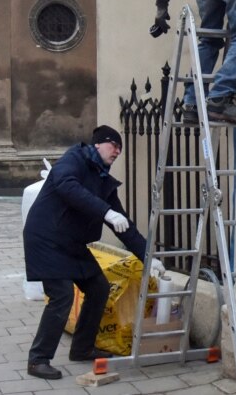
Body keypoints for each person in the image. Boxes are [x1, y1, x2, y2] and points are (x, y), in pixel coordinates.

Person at [23, 125, 164, 380]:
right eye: (114, 145)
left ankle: (82, 348)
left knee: (98, 287)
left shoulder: (103, 180)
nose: (118, 151)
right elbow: (68, 187)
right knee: (61, 296)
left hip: (72, 244)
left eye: (120, 148)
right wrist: (105, 212)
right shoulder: (73, 160)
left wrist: (149, 257)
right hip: (47, 238)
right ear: (98, 144)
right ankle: (38, 360)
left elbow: (124, 227)